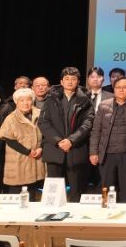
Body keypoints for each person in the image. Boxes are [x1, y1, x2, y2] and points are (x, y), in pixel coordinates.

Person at [38, 66, 95, 202]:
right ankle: (52, 214)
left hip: (76, 149)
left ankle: (76, 214)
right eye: (67, 79)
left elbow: (88, 123)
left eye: (73, 79)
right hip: (54, 149)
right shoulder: (51, 99)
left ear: (78, 82)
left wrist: (71, 140)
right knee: (53, 192)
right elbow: (43, 122)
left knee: (77, 191)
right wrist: (58, 141)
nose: (70, 81)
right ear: (61, 82)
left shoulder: (85, 100)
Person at [89, 77, 126, 203]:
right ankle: (105, 211)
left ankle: (125, 212)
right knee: (106, 188)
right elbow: (96, 131)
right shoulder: (104, 105)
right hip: (107, 153)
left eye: (125, 87)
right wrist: (93, 152)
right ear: (113, 89)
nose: (121, 90)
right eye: (118, 87)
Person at [0, 88, 45, 199]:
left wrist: (41, 148)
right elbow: (9, 139)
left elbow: (46, 135)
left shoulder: (40, 114)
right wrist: (27, 152)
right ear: (16, 102)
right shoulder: (11, 118)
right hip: (18, 159)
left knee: (32, 190)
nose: (25, 103)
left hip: (36, 157)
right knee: (16, 193)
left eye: (28, 100)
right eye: (21, 100)